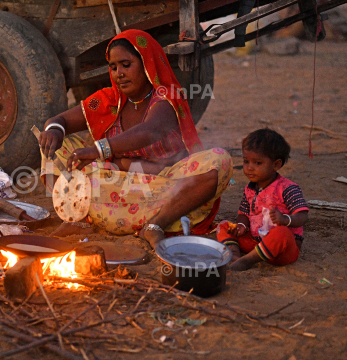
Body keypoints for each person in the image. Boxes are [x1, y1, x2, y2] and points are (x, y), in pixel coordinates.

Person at [38, 29, 233, 248]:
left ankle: (155, 224)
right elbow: (59, 120)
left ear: (146, 64)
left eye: (126, 64)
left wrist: (101, 151)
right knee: (57, 147)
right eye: (113, 67)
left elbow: (148, 132)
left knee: (219, 161)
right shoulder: (107, 100)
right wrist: (54, 130)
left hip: (163, 188)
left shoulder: (166, 99)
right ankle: (77, 218)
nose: (118, 73)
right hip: (114, 184)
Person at [217, 129, 309, 271]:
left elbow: (303, 216)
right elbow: (243, 213)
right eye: (246, 161)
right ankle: (234, 255)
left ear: (276, 165)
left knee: (282, 233)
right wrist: (242, 225)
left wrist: (285, 219)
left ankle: (248, 260)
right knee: (225, 226)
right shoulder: (250, 188)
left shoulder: (287, 188)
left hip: (282, 250)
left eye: (258, 163)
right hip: (256, 242)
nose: (249, 168)